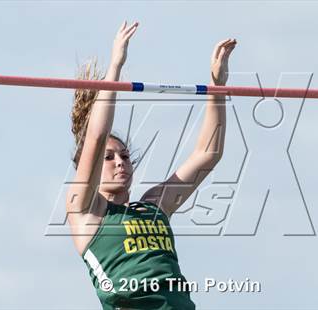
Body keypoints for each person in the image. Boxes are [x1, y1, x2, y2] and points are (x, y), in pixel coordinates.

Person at [67, 20, 236, 310]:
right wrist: (116, 67)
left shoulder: (153, 206)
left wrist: (217, 88)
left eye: (125, 156)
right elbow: (95, 137)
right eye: (109, 158)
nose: (120, 163)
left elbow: (208, 154)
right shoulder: (86, 213)